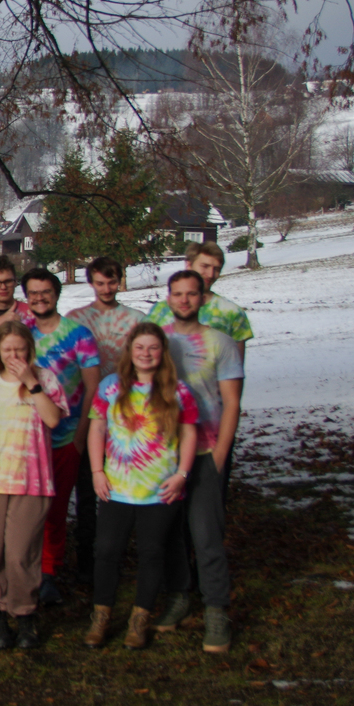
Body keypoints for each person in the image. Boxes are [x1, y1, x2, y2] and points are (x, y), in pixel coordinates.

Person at [84, 324, 198, 650]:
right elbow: (97, 428)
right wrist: (96, 471)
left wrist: (182, 474)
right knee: (107, 550)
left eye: (153, 348)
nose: (146, 354)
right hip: (116, 487)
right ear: (130, 351)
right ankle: (101, 617)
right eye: (140, 347)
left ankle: (139, 620)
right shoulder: (110, 386)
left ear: (162, 352)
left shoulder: (178, 391)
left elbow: (189, 433)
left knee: (152, 552)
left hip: (160, 490)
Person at [152, 269, 244, 654]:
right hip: (164, 454)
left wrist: (220, 452)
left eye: (192, 294)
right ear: (168, 298)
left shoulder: (220, 343)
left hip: (206, 451)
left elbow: (232, 402)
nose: (184, 300)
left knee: (206, 534)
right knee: (171, 534)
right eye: (178, 294)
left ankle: (216, 609)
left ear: (203, 298)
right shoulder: (157, 342)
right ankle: (178, 596)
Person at [0, 323, 68, 651]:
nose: (14, 355)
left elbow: (53, 419)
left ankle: (24, 614)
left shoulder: (46, 379)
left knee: (20, 554)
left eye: (20, 349)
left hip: (31, 481)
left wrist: (31, 383)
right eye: (7, 349)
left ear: (29, 350)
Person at [21, 268, 100, 604]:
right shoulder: (22, 335)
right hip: (27, 440)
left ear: (56, 294)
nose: (40, 298)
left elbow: (94, 389)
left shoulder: (79, 336)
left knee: (55, 510)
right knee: (28, 510)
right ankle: (27, 569)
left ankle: (49, 572)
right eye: (33, 293)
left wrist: (80, 438)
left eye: (46, 292)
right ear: (27, 298)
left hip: (66, 438)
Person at [67, 256, 145, 585]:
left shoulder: (137, 320)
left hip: (125, 417)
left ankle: (121, 554)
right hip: (87, 414)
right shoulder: (76, 319)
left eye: (112, 282)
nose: (107, 288)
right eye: (100, 282)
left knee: (124, 488)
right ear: (91, 283)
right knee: (87, 489)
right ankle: (87, 560)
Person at [146, 241, 254, 361]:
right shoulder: (160, 310)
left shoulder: (232, 312)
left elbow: (236, 365)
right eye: (205, 266)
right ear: (189, 265)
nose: (211, 274)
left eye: (216, 269)